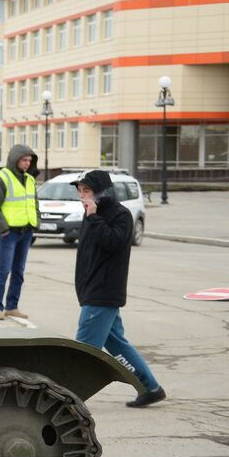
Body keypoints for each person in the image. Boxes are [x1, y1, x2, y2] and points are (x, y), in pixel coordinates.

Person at [73, 169, 166, 407]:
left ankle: (67, 398)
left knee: (83, 350)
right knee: (116, 344)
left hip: (103, 292)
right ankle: (151, 388)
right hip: (92, 290)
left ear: (102, 192)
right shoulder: (90, 214)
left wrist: (93, 217)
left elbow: (112, 243)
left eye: (87, 191)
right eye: (80, 191)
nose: (82, 196)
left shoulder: (120, 215)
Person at [0, 144, 39, 319]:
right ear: (15, 159)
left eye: (29, 160)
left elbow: (34, 203)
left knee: (18, 272)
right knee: (4, 270)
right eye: (24, 160)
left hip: (26, 232)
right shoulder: (0, 178)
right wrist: (3, 229)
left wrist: (36, 222)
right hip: (8, 234)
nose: (27, 163)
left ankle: (12, 306)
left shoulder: (29, 179)